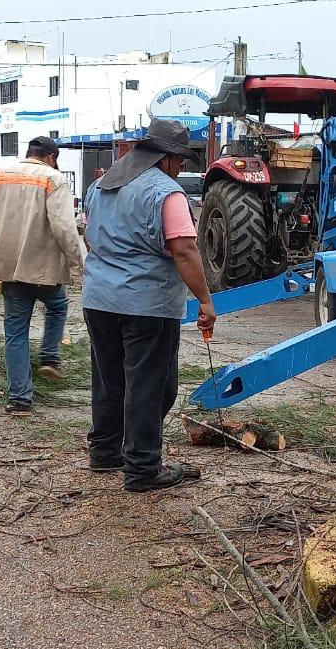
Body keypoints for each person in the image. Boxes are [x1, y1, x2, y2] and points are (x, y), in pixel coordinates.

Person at [81, 119, 216, 493]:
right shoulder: (167, 194)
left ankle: (106, 451)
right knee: (151, 385)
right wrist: (205, 299)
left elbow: (91, 239)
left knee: (110, 378)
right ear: (167, 158)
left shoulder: (99, 186)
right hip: (147, 305)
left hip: (99, 301)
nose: (182, 168)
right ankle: (143, 467)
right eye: (180, 161)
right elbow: (185, 250)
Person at [0, 136, 85, 416]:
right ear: (51, 157)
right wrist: (78, 267)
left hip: (9, 269)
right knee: (58, 305)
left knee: (15, 332)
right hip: (43, 269)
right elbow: (64, 228)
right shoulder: (54, 179)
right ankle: (50, 356)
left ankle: (20, 400)